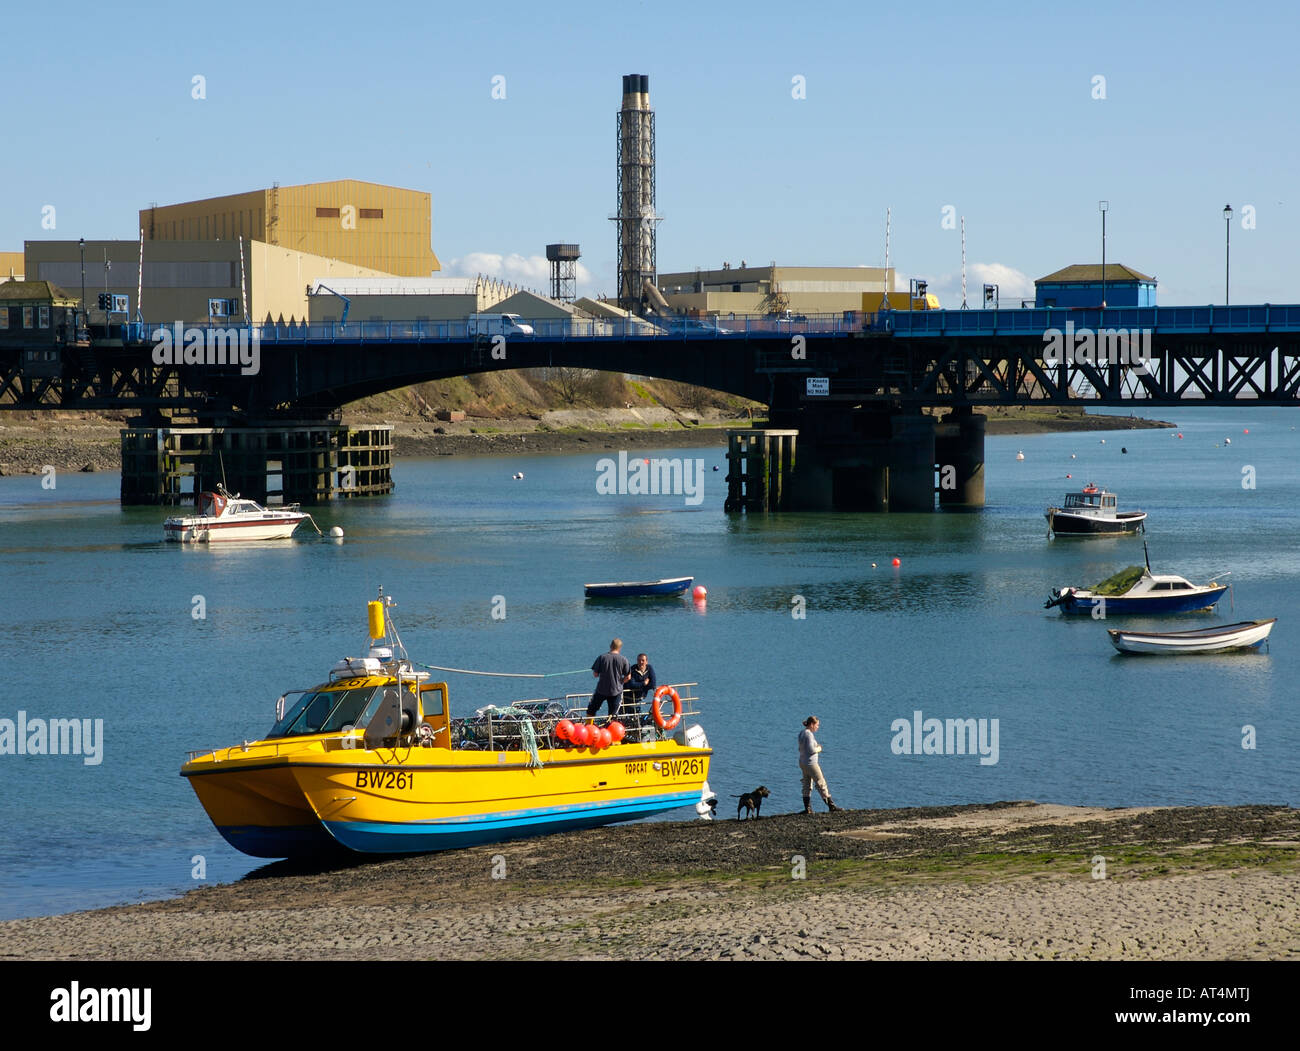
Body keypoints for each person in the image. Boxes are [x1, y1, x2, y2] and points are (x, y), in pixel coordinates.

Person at [798, 715, 841, 814]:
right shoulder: (809, 734)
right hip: (811, 763)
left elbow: (801, 749)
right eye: (817, 725)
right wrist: (819, 749)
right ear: (812, 724)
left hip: (803, 762)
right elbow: (811, 750)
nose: (818, 727)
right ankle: (831, 806)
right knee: (821, 783)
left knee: (806, 784)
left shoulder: (801, 733)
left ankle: (807, 809)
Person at [588, 638, 631, 718]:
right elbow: (628, 677)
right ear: (620, 648)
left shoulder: (602, 657)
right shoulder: (624, 660)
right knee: (613, 714)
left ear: (610, 646)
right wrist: (621, 681)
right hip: (616, 691)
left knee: (591, 709)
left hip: (601, 689)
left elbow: (595, 674)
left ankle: (589, 726)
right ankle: (610, 728)